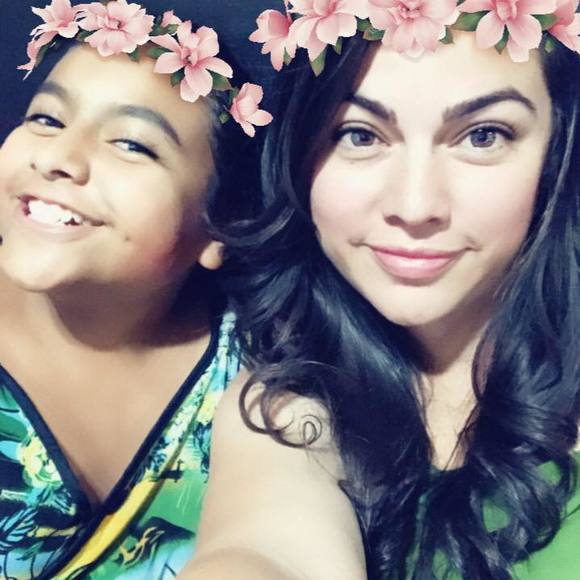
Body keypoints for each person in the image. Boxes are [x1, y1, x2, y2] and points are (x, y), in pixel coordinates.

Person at [219, 1, 579, 578]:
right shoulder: (287, 400)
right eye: (359, 134)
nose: (415, 207)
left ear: (556, 156)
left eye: (483, 136)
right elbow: (264, 551)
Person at [0, 0, 279, 577]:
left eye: (131, 144)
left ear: (216, 227)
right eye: (47, 119)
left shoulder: (259, 372)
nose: (58, 158)